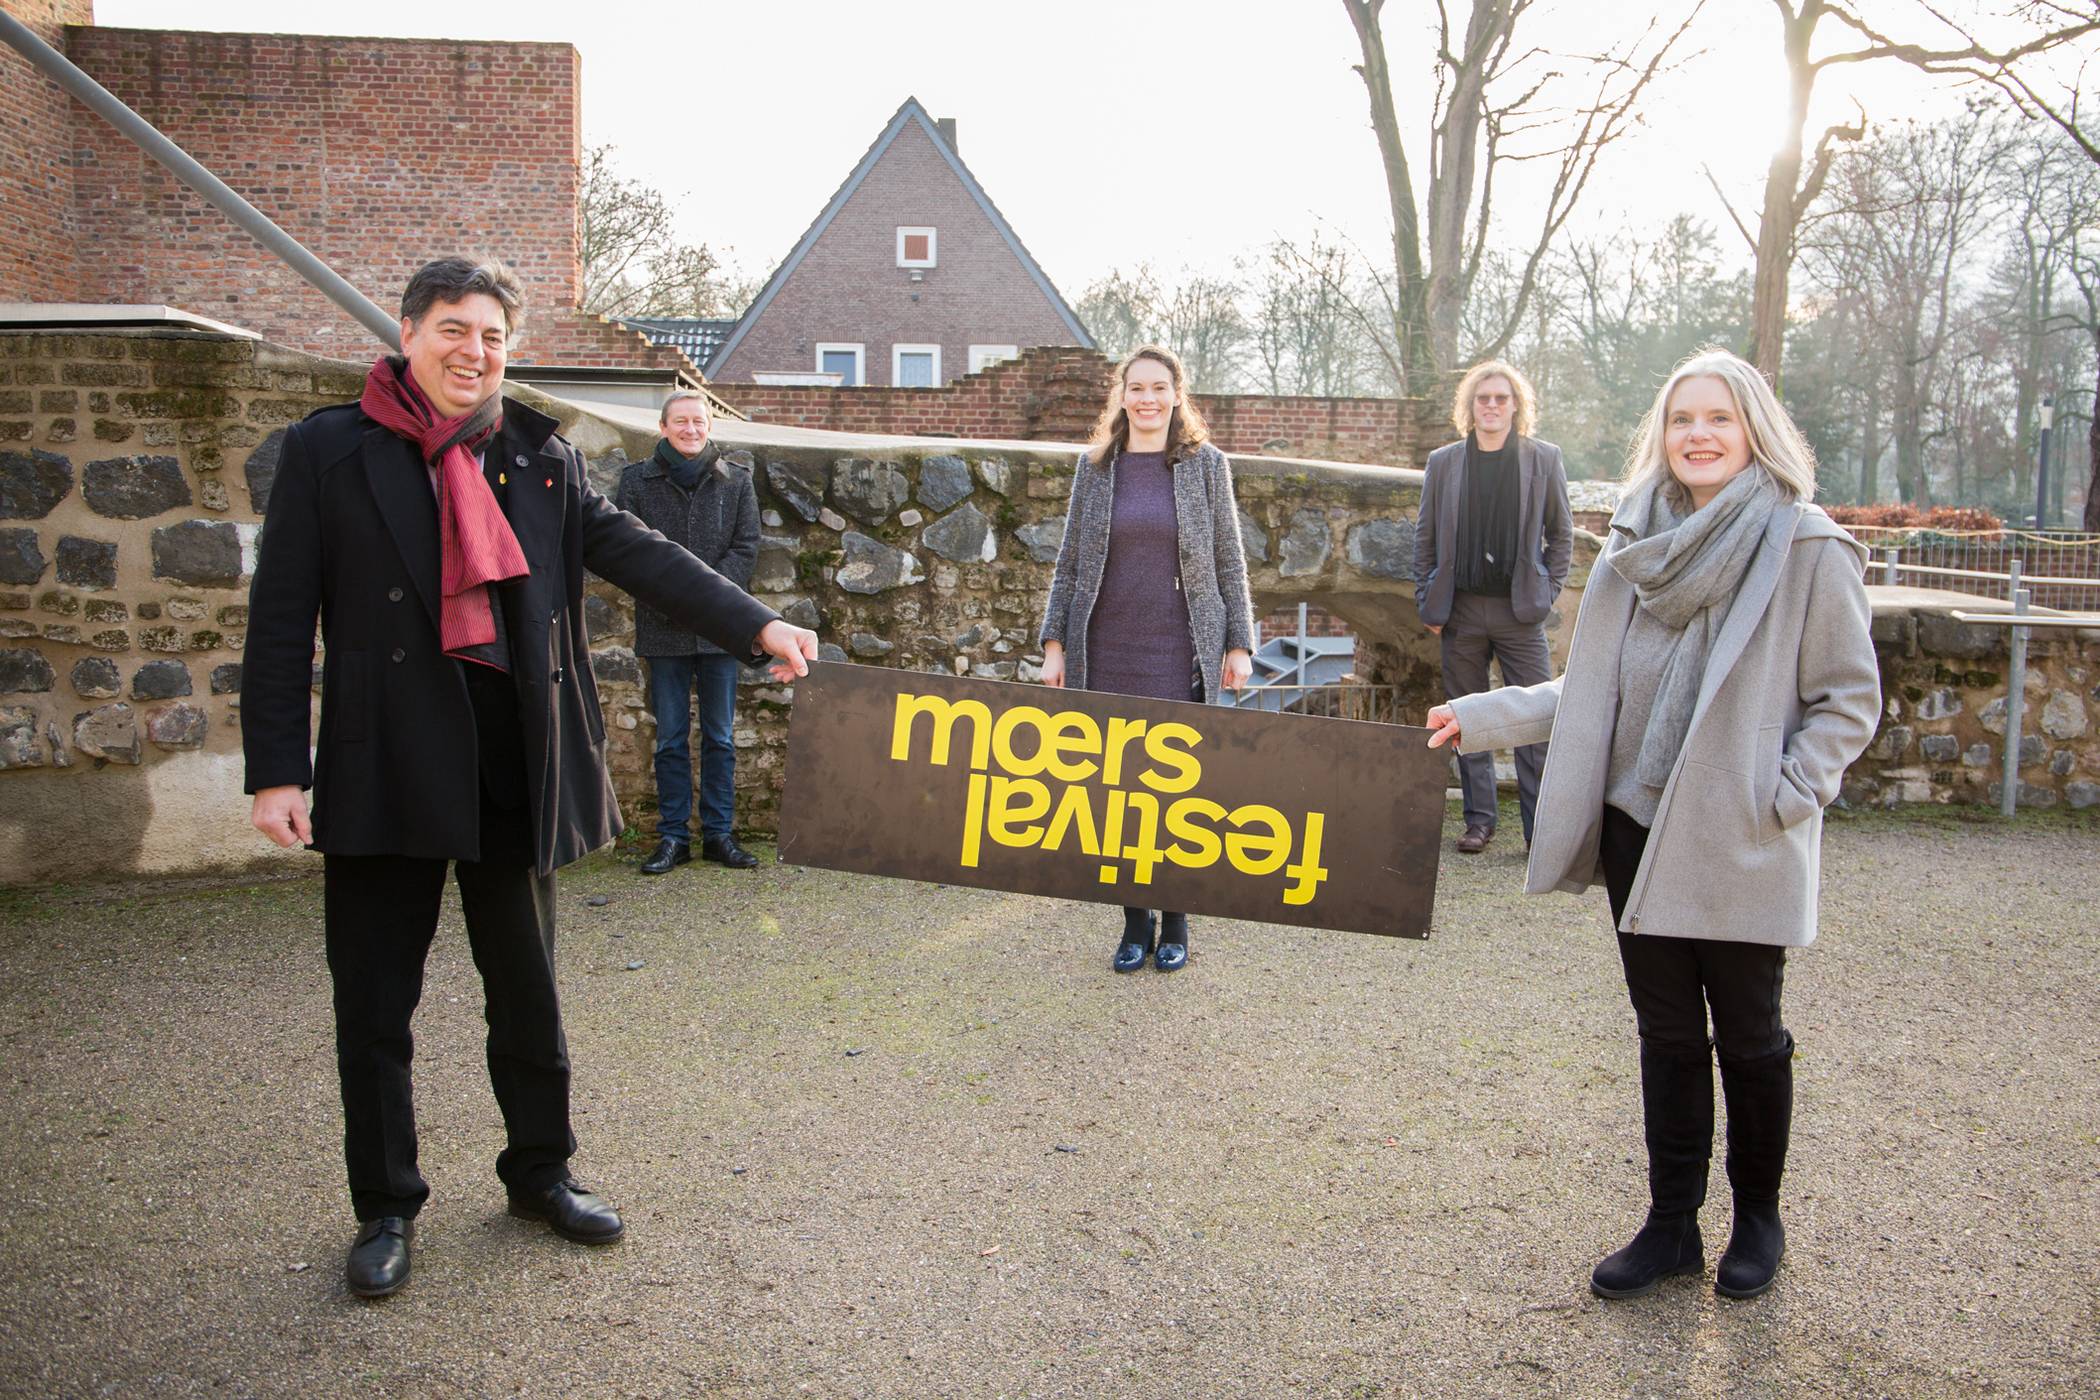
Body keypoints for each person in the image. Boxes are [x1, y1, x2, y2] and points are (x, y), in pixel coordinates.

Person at [242, 257, 819, 1301]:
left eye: (494, 335)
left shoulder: (537, 453)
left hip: (515, 760)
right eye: (454, 329)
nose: (475, 351)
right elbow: (279, 620)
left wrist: (756, 622)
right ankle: (385, 1205)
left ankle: (540, 1172)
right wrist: (277, 768)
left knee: (529, 990)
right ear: (409, 331)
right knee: (375, 1002)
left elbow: (636, 551)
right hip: (385, 766)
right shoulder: (329, 450)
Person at [1425, 348, 1880, 1302]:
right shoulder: (1638, 542)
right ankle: (1672, 1224)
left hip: (1741, 832)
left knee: (1750, 1035)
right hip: (1639, 824)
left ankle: (1758, 1220)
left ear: (1754, 428)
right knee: (1668, 1034)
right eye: (1682, 421)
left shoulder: (1806, 545)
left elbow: (1848, 702)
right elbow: (1591, 687)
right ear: (1662, 440)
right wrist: (1483, 716)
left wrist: (1785, 794)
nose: (1699, 435)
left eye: (1718, 417)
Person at [1038, 344, 1256, 974]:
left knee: (1173, 790)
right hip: (1103, 648)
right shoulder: (1097, 467)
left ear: (1177, 394)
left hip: (1179, 647)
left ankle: (1177, 921)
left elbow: (1228, 558)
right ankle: (1134, 923)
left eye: (1159, 388)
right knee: (1118, 793)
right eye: (1137, 388)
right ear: (1122, 395)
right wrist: (1055, 645)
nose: (1148, 399)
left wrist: (1237, 643)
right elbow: (1071, 560)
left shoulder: (1205, 465)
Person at [1414, 360, 1573, 853]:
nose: (1492, 405)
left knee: (1537, 721)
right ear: (1470, 406)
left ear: (1516, 405)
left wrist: (1548, 591)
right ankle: (1479, 822)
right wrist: (1428, 599)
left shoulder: (1543, 459)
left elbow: (1561, 533)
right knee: (1467, 719)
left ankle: (1538, 829)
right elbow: (1424, 537)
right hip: (1459, 611)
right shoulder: (1444, 462)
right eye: (1483, 398)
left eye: (1501, 398)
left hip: (1520, 612)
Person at [615, 390, 763, 874]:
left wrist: (710, 602)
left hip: (722, 630)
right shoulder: (636, 482)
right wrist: (676, 600)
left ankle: (719, 834)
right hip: (663, 627)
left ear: (710, 426)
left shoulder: (736, 482)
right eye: (681, 422)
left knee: (720, 737)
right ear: (663, 427)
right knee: (671, 738)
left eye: (698, 422)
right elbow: (627, 552)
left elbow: (745, 548)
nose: (691, 430)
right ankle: (674, 837)